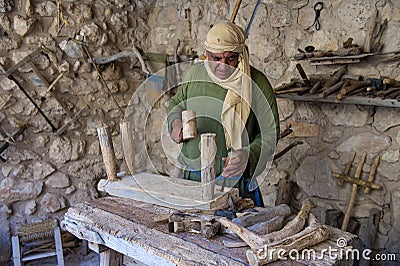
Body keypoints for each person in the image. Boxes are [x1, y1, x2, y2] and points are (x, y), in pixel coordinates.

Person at [167, 21, 280, 206]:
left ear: (241, 55)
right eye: (216, 58)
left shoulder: (257, 84)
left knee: (238, 232)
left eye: (230, 59)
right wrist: (175, 123)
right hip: (192, 178)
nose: (222, 66)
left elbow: (271, 132)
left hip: (235, 183)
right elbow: (177, 103)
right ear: (207, 54)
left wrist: (248, 154)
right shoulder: (195, 74)